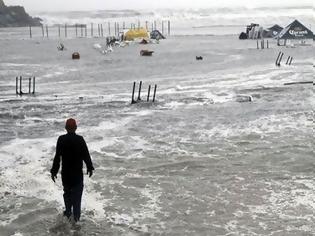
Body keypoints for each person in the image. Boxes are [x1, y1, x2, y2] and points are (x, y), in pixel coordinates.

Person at [51, 118, 94, 223]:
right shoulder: (80, 139)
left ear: (65, 128)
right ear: (76, 128)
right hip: (77, 176)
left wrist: (54, 171)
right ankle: (76, 221)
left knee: (67, 194)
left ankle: (68, 213)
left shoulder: (61, 139)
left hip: (66, 175)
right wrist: (90, 167)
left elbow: (57, 157)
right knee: (77, 199)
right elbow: (86, 155)